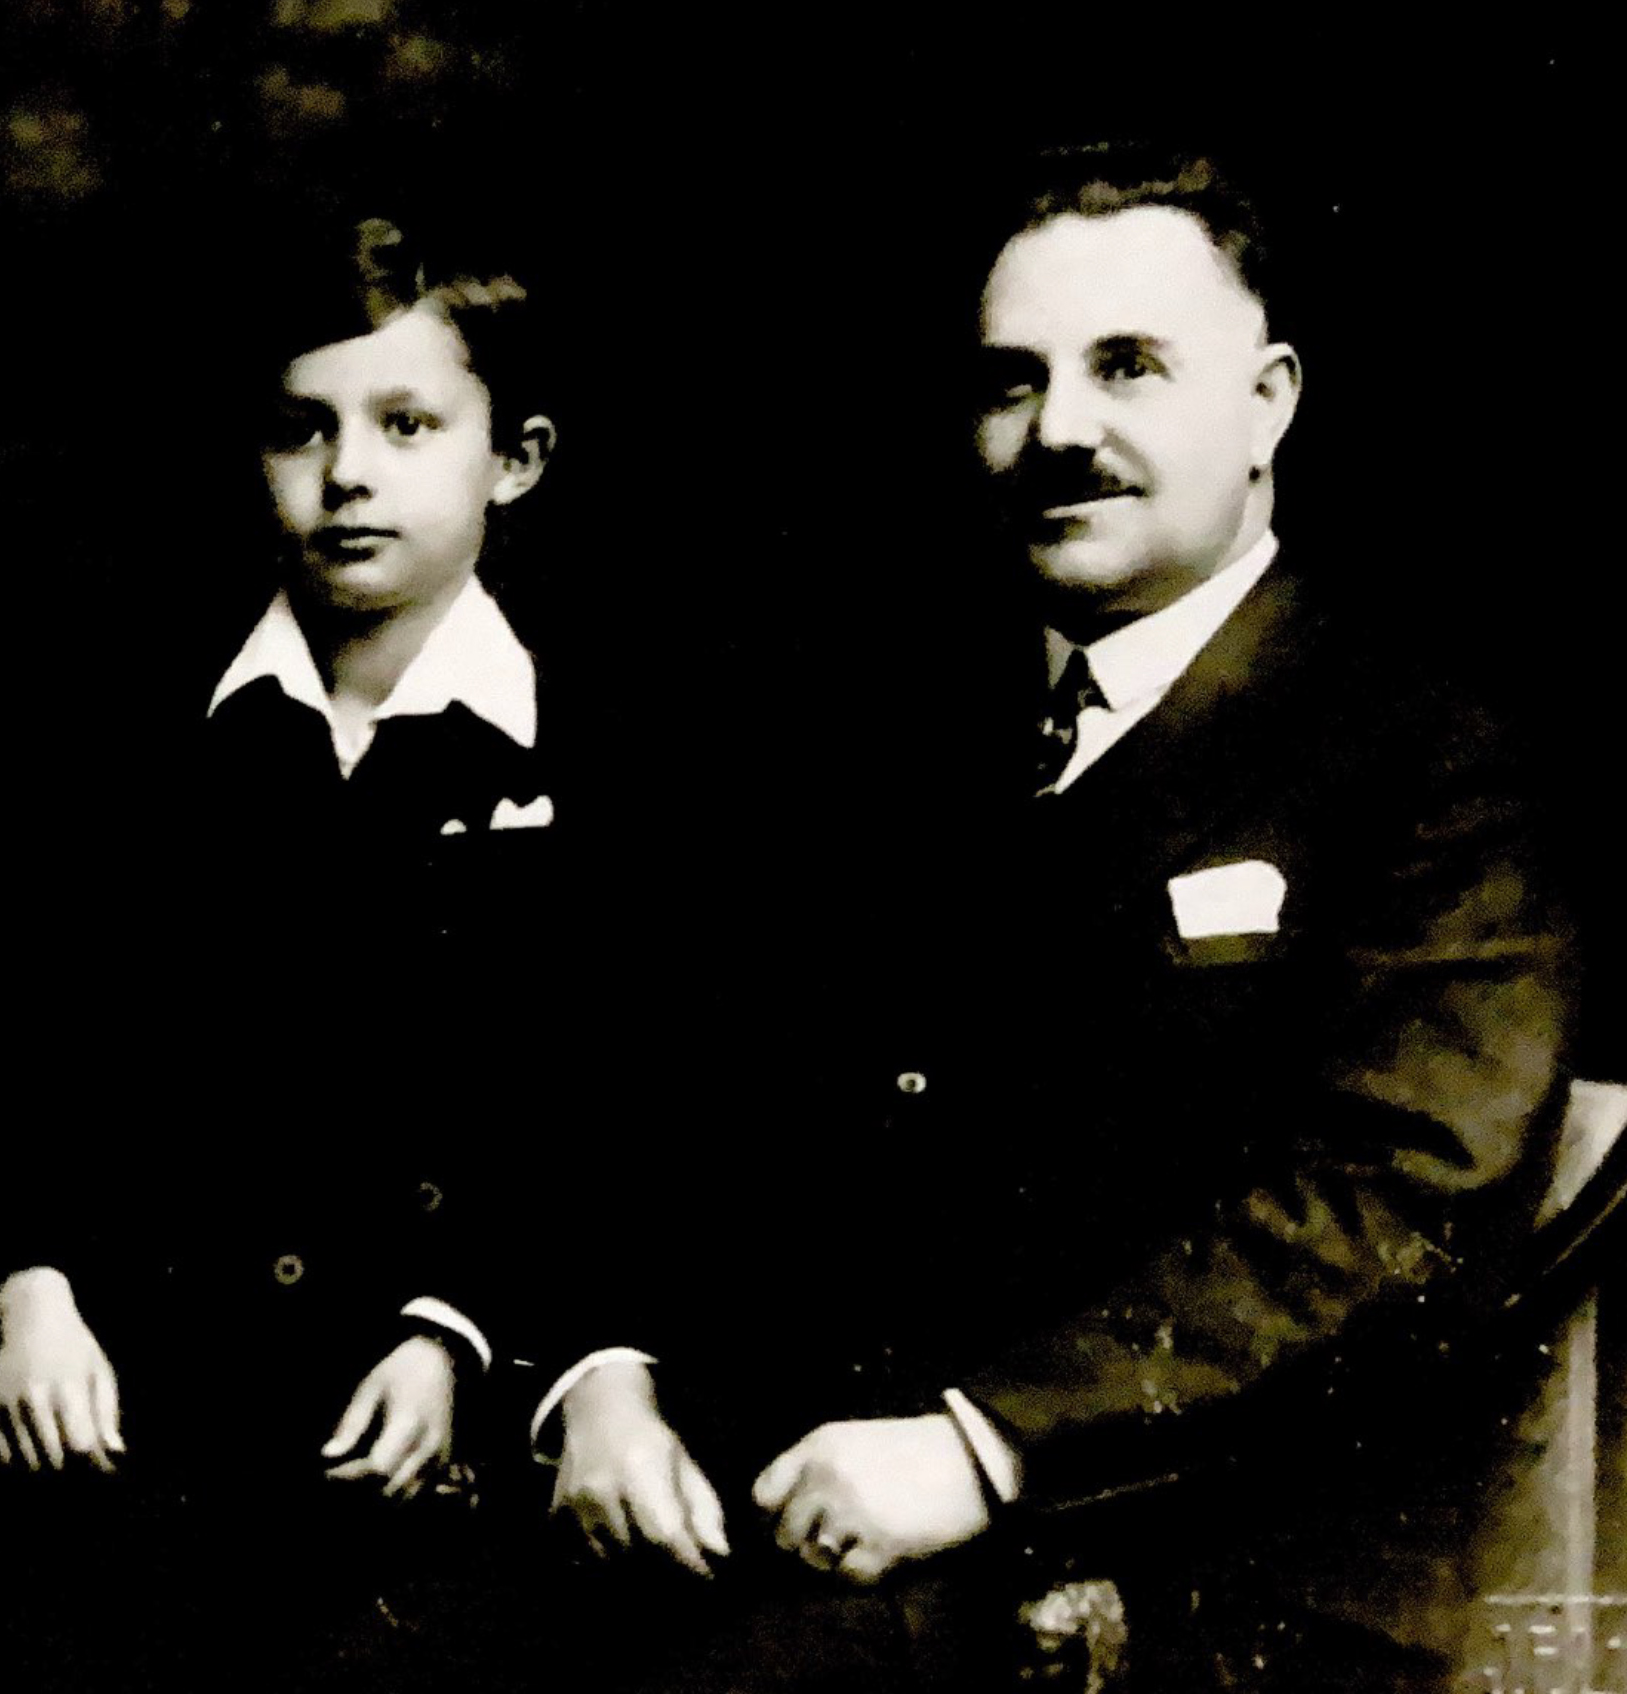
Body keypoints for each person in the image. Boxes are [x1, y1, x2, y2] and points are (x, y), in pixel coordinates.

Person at [541, 147, 1580, 1690]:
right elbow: (684, 1088)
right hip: (751, 1511)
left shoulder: (1423, 755)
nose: (1059, 430)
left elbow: (1394, 1197)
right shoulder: (886, 727)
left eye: (1127, 367)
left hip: (1151, 1569)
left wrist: (985, 1443)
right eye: (1011, 381)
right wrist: (606, 1367)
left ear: (1268, 402)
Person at [0, 215, 572, 1690]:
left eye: (407, 424)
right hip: (146, 1415)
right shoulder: (144, 730)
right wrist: (37, 1286)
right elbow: (39, 1046)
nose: (347, 471)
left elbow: (589, 1102)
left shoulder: (576, 748)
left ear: (515, 460)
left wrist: (454, 1330)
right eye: (303, 428)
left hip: (432, 1439)